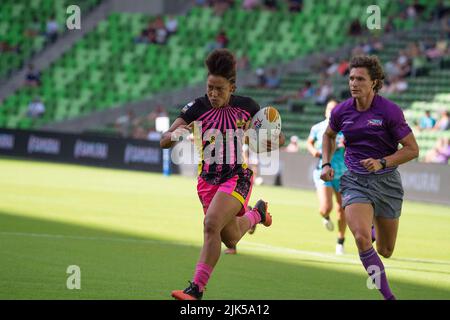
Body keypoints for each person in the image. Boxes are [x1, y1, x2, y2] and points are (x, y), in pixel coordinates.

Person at [161, 49, 285, 300]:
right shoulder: (195, 108)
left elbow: (277, 135)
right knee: (230, 238)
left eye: (219, 89)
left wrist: (271, 140)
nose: (214, 94)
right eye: (210, 87)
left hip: (237, 176)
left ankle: (196, 289)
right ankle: (257, 213)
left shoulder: (247, 107)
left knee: (210, 226)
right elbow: (165, 140)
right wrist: (176, 135)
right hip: (207, 182)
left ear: (232, 87)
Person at [321, 55, 419, 300]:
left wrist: (382, 162)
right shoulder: (342, 111)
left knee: (385, 250)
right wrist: (325, 162)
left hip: (387, 182)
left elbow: (412, 149)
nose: (354, 83)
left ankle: (373, 225)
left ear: (374, 82)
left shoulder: (389, 111)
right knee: (362, 238)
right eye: (351, 78)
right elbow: (329, 135)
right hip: (355, 179)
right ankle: (389, 296)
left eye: (360, 79)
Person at [307, 100, 347, 255]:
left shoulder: (345, 128)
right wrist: (314, 152)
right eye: (329, 109)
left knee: (343, 208)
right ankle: (325, 216)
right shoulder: (317, 127)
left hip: (342, 172)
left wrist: (345, 145)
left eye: (334, 109)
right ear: (325, 111)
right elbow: (310, 143)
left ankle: (340, 241)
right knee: (326, 207)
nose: (331, 111)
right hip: (323, 170)